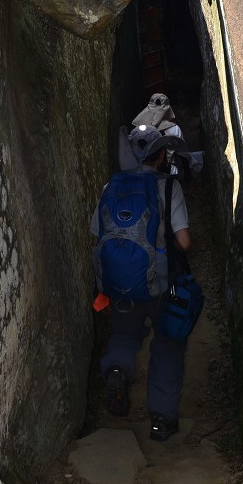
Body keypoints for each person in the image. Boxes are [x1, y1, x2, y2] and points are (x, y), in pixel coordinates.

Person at [90, 124, 192, 441]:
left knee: (124, 336)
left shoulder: (113, 185)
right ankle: (161, 420)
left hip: (121, 284)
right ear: (161, 154)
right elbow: (184, 241)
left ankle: (118, 372)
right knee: (168, 345)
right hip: (161, 284)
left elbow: (96, 232)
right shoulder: (167, 187)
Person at [132, 93, 203, 177]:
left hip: (141, 170)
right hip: (167, 171)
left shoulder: (141, 128)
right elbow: (183, 153)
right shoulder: (175, 129)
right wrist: (188, 176)